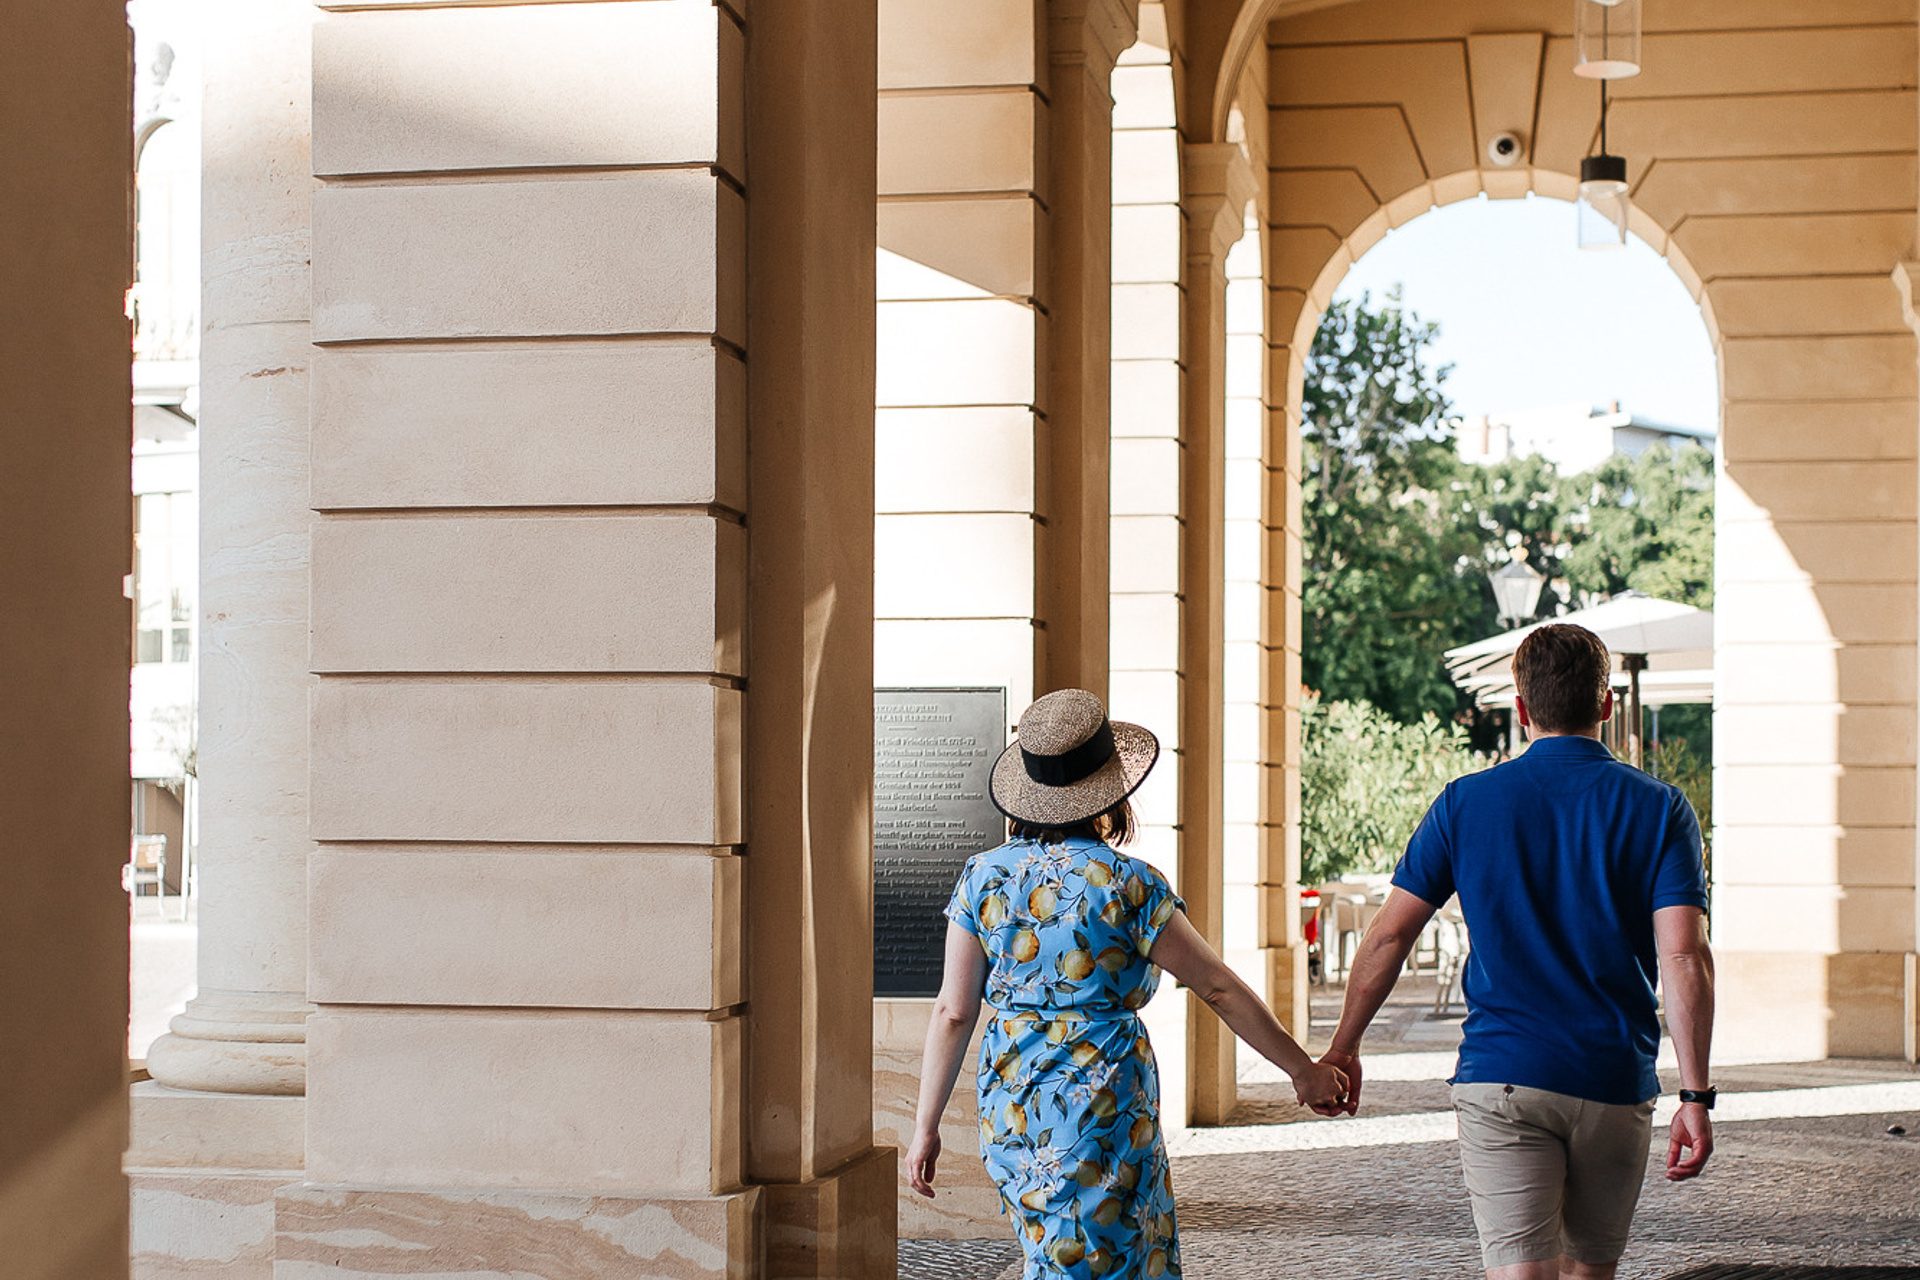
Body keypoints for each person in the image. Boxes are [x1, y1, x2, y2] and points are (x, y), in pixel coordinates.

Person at [1314, 623, 1716, 1280]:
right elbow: (1684, 957)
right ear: (1606, 704)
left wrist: (1344, 1047)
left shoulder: (1463, 804)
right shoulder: (1663, 809)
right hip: (1613, 1079)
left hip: (1504, 1075)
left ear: (1522, 708)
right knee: (1592, 1274)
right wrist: (1695, 1095)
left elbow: (1389, 934)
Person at [907, 688, 1347, 1278]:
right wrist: (1302, 1069)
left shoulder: (984, 877)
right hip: (1104, 1098)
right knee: (1115, 1253)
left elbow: (952, 1012)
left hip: (1013, 1102)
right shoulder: (1131, 885)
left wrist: (925, 1127)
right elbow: (1217, 987)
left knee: (1056, 1254)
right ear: (1109, 790)